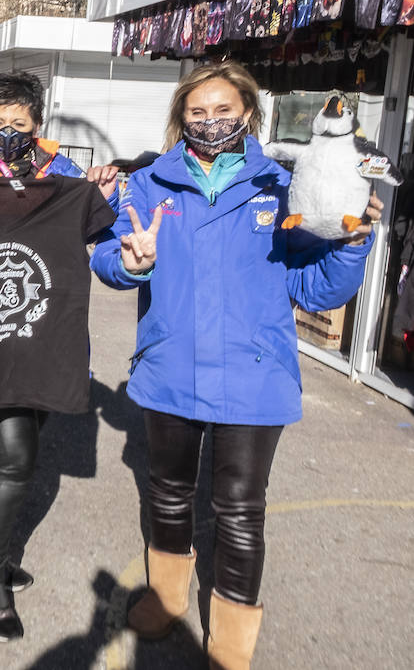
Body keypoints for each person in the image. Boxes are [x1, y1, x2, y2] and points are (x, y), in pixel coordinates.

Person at [90, 63, 378, 670]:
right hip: (170, 368)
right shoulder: (150, 184)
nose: (210, 121)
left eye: (223, 110)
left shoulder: (280, 187)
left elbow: (317, 289)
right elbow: (112, 261)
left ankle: (231, 635)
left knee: (240, 511)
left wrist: (351, 244)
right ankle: (167, 602)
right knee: (168, 494)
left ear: (248, 112)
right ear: (181, 117)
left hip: (254, 376)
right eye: (197, 112)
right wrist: (133, 262)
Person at [0, 71, 118, 643]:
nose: (8, 131)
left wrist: (106, 196)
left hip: (44, 340)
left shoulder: (65, 177)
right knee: (16, 450)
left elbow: (104, 238)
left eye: (20, 122)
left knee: (10, 447)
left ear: (39, 125)